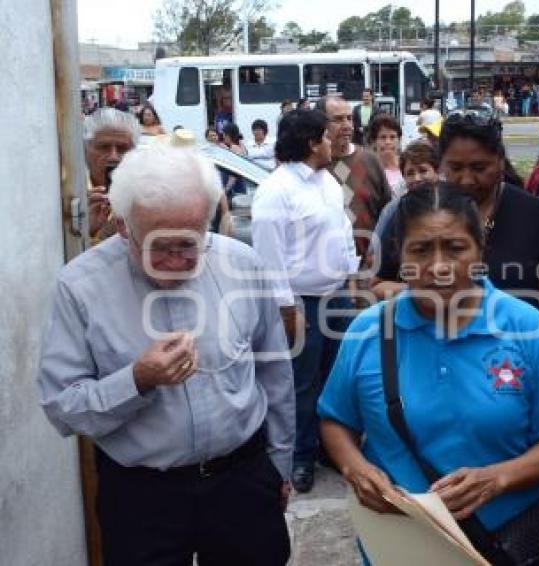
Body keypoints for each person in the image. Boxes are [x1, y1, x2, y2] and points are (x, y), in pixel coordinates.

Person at [37, 143, 295, 566]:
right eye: (159, 247)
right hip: (143, 495)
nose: (176, 261)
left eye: (189, 245)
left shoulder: (242, 265)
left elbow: (274, 372)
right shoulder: (80, 286)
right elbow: (61, 406)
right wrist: (136, 380)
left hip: (242, 483)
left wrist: (278, 466)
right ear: (123, 226)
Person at [318, 182, 539, 562]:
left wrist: (498, 478)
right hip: (399, 547)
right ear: (400, 253)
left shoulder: (526, 327)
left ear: (480, 251)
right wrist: (355, 467)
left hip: (511, 545)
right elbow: (335, 420)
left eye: (456, 248)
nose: (439, 266)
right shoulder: (367, 332)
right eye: (421, 249)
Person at [251, 109, 359, 494]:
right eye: (328, 137)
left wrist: (351, 275)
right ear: (314, 142)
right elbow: (268, 257)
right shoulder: (276, 190)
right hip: (302, 304)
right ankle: (299, 457)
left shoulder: (326, 180)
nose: (335, 143)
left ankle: (327, 447)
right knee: (302, 385)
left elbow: (343, 229)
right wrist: (286, 310)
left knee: (335, 379)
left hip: (337, 298)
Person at [373, 113, 539, 324]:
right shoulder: (415, 211)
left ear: (500, 162)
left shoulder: (534, 214)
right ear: (441, 164)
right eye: (455, 168)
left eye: (479, 168)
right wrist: (423, 290)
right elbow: (376, 284)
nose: (466, 179)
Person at [318, 95, 393, 260]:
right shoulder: (316, 166)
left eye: (349, 118)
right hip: (327, 269)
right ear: (321, 124)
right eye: (338, 120)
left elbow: (387, 212)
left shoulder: (370, 160)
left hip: (368, 267)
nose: (347, 125)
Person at [368, 141, 440, 297]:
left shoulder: (456, 208)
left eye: (423, 171)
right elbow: (376, 284)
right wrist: (416, 290)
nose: (417, 178)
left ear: (437, 171)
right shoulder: (396, 211)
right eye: (410, 173)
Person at [84, 108, 140, 246]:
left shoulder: (145, 194)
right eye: (103, 147)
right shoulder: (71, 196)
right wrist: (86, 230)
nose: (113, 157)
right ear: (85, 150)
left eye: (122, 148)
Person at [367, 113, 404, 197]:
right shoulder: (367, 167)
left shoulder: (407, 166)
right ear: (373, 142)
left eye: (392, 137)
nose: (388, 142)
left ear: (399, 140)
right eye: (383, 137)